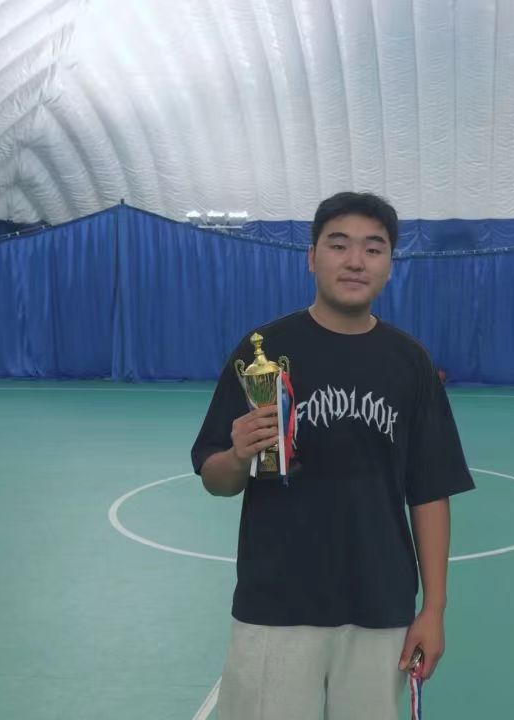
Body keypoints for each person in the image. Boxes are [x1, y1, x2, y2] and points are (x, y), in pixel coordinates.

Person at [190, 191, 475, 719]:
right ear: (311, 256)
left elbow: (430, 491)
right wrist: (237, 454)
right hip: (276, 602)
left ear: (390, 264)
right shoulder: (262, 351)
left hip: (380, 604)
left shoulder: (409, 362)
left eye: (373, 248)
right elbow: (215, 477)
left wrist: (433, 609)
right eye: (339, 245)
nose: (355, 261)